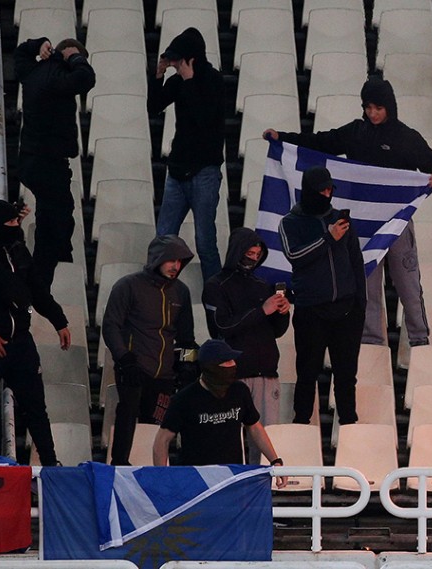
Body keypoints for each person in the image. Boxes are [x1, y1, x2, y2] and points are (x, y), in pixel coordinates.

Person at [264, 77, 432, 347]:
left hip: (396, 224)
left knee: (408, 285)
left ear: (390, 107)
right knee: (367, 287)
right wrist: (283, 138)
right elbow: (320, 142)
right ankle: (372, 344)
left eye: (378, 108)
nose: (372, 114)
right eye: (368, 108)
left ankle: (420, 341)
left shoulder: (405, 137)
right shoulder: (355, 132)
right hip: (361, 226)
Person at [0, 200, 71, 466]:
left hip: (20, 344)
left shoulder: (19, 251)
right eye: (10, 223)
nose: (16, 226)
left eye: (17, 222)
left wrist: (59, 321)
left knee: (36, 408)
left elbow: (37, 290)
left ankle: (51, 465)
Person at [278, 167, 366, 426]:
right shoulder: (290, 222)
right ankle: (301, 426)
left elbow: (356, 264)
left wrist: (360, 304)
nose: (327, 195)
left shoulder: (341, 219)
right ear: (309, 191)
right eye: (322, 190)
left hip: (347, 311)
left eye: (330, 190)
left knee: (347, 375)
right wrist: (328, 238)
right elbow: (295, 257)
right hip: (311, 312)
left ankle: (349, 427)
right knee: (307, 373)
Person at [102, 235, 200, 466]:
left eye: (180, 261)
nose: (176, 266)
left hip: (164, 375)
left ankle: (153, 469)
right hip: (134, 369)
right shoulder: (128, 285)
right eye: (171, 260)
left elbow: (187, 338)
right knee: (127, 417)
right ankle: (119, 466)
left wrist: (188, 364)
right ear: (157, 259)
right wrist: (125, 359)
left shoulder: (181, 292)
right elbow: (110, 325)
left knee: (158, 424)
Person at [203, 228, 291, 463]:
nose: (253, 258)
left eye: (257, 253)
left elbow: (276, 330)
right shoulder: (216, 285)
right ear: (237, 252)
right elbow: (222, 326)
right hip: (234, 373)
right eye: (249, 253)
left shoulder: (262, 284)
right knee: (230, 436)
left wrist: (282, 312)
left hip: (266, 373)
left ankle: (261, 484)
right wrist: (262, 310)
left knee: (265, 438)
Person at [15, 37, 96, 288]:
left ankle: (52, 265)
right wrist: (74, 57)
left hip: (30, 160)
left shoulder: (32, 71)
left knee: (52, 217)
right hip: (49, 162)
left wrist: (38, 43)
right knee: (57, 221)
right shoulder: (60, 77)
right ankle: (48, 275)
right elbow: (87, 77)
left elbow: (19, 52)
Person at [148, 27, 225, 282]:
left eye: (178, 60)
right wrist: (158, 76)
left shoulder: (213, 81)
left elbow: (206, 120)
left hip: (204, 171)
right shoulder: (178, 81)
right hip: (178, 171)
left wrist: (191, 82)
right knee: (163, 240)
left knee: (205, 243)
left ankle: (216, 300)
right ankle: (152, 292)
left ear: (191, 58)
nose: (175, 65)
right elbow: (154, 107)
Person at [152, 339, 288, 486]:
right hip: (196, 480)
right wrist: (162, 477)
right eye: (227, 361)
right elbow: (162, 440)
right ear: (211, 367)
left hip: (230, 477)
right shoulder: (184, 399)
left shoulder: (239, 391)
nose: (234, 364)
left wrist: (275, 460)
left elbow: (254, 426)